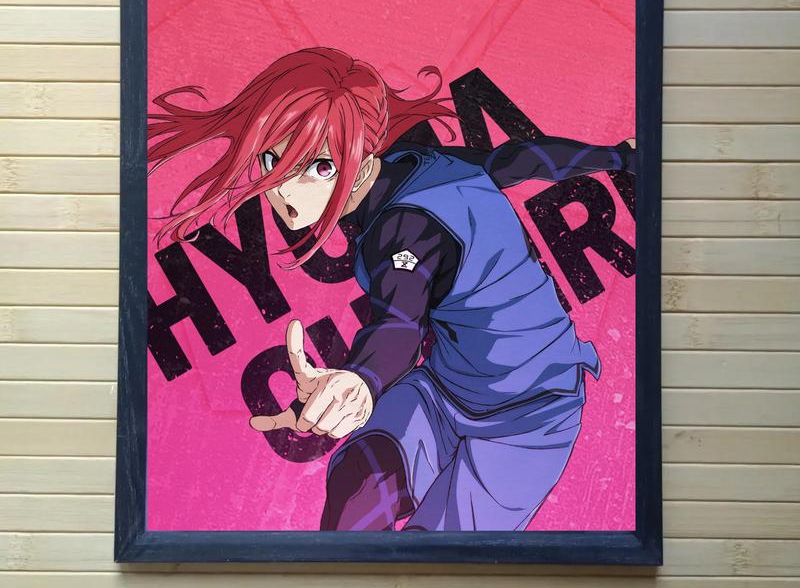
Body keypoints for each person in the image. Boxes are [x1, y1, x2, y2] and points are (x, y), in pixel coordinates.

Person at [147, 46, 635, 532]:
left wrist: (361, 381)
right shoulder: (415, 163)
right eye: (275, 159)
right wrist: (620, 156)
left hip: (530, 418)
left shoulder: (406, 228)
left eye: (319, 167)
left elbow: (399, 323)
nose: (286, 191)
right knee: (358, 490)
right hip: (444, 392)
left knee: (434, 556)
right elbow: (517, 160)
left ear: (360, 166)